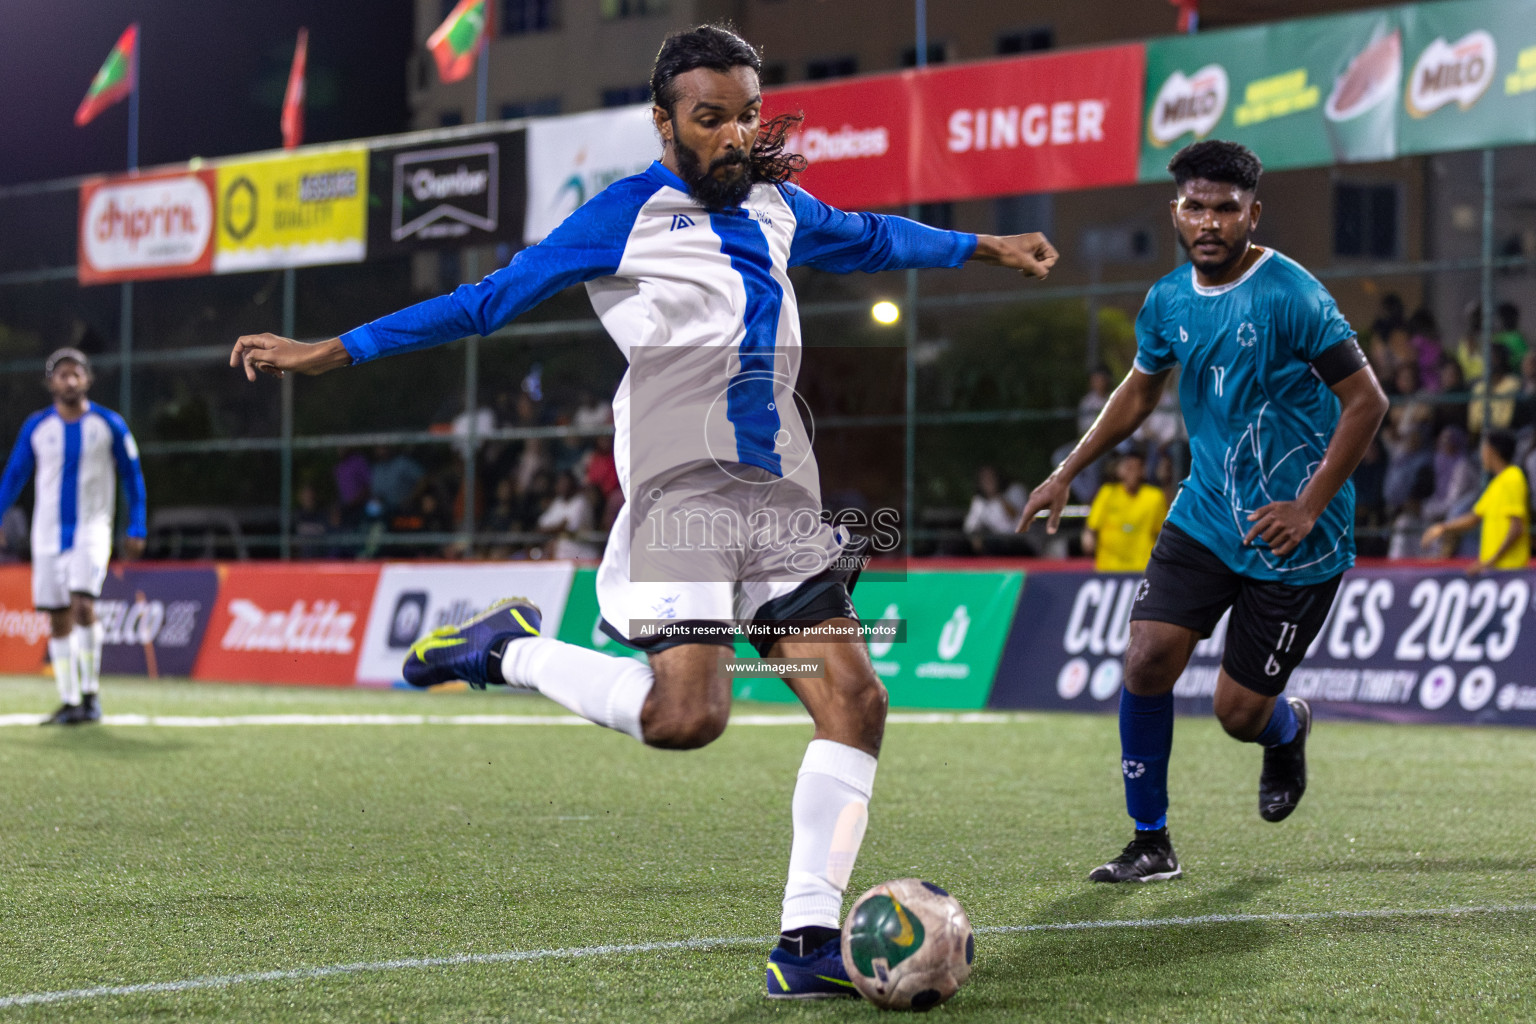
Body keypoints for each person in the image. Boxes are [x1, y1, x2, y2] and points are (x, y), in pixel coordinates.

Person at [229, 24, 1057, 998]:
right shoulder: (623, 215)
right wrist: (338, 349)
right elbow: (485, 301)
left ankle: (804, 943)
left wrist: (988, 244)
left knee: (856, 700)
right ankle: (507, 649)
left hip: (781, 489)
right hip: (680, 479)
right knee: (686, 716)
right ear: (664, 121)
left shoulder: (780, 207)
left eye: (747, 113)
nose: (735, 134)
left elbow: (877, 235)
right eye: (711, 117)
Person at [1019, 140, 1387, 883]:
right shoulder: (1166, 300)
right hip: (1207, 512)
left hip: (1296, 539)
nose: (1210, 221)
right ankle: (1149, 841)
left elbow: (1367, 401)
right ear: (1175, 211)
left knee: (1238, 715)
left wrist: (1310, 505)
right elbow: (1138, 390)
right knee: (1147, 658)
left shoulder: (1294, 294)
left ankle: (1287, 728)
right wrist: (1068, 471)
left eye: (1226, 208)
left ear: (1253, 212)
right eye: (1196, 206)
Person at [0, 349, 148, 725]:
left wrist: (137, 525)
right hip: (47, 534)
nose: (69, 381)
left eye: (76, 374)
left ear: (88, 379)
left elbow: (132, 476)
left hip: (92, 529)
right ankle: (69, 701)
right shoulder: (37, 426)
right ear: (51, 382)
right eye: (62, 375)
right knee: (57, 617)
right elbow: (14, 475)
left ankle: (91, 695)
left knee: (84, 604)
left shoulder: (109, 424)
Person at [1421, 429, 1530, 574]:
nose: (1481, 454)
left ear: (1492, 450)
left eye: (1483, 448)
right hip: (1497, 570)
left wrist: (1489, 562)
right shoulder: (1497, 483)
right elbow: (1474, 517)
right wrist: (1443, 527)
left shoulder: (1513, 478)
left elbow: (1516, 527)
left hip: (1510, 570)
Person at [1084, 449, 1166, 572]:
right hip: (1108, 569)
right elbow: (1091, 528)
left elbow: (1163, 533)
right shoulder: (1107, 493)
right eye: (1128, 468)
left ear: (1143, 471)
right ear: (1119, 470)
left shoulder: (1155, 497)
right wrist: (1088, 538)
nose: (1131, 473)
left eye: (1136, 468)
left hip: (1142, 569)